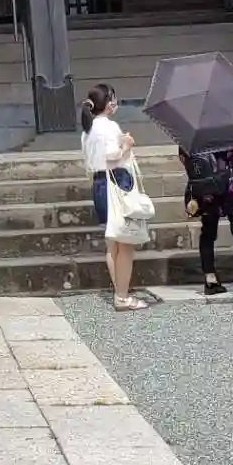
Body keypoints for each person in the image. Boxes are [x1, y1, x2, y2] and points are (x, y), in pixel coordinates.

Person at [80, 82, 147, 311]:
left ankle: (120, 292)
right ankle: (122, 296)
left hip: (100, 184)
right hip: (115, 183)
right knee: (125, 243)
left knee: (112, 244)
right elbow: (113, 156)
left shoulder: (87, 130)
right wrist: (126, 145)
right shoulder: (109, 127)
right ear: (108, 103)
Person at [182, 142, 233, 296]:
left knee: (208, 233)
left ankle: (210, 280)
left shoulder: (193, 136)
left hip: (207, 186)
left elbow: (186, 160)